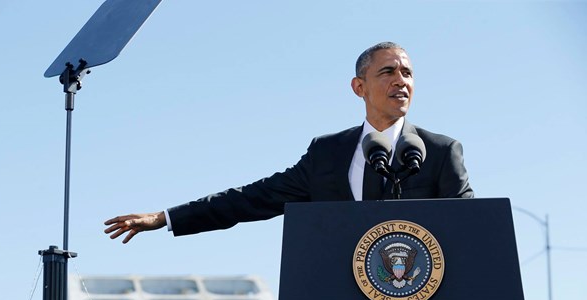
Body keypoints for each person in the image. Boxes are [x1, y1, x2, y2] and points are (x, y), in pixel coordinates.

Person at [104, 41, 473, 243]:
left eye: (407, 72)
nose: (401, 81)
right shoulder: (327, 155)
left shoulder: (440, 152)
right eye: (388, 71)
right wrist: (166, 218)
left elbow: (470, 230)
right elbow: (252, 199)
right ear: (359, 87)